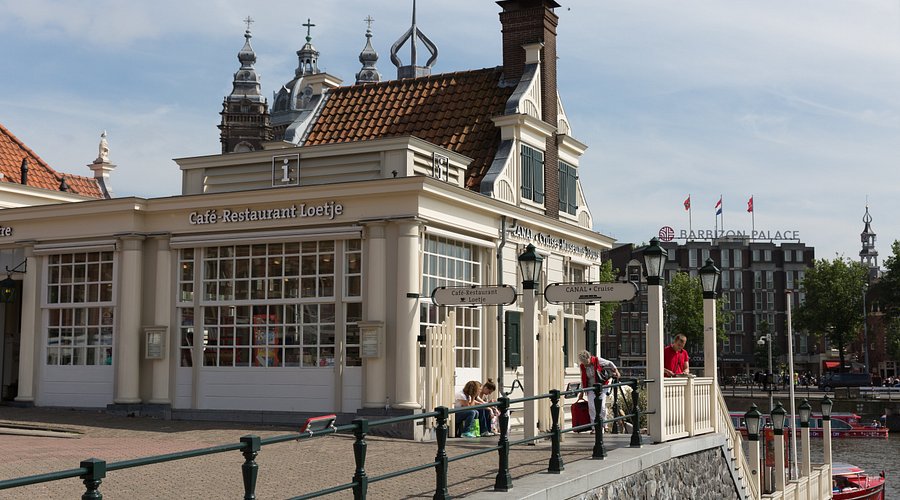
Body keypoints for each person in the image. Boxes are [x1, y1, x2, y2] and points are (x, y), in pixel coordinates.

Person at [577, 350, 620, 432]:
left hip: (602, 386)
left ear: (589, 358)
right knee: (591, 407)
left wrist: (616, 371)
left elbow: (609, 363)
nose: (586, 364)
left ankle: (604, 424)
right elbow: (583, 379)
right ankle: (594, 427)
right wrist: (582, 392)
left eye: (586, 362)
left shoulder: (597, 360)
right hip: (591, 387)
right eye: (584, 363)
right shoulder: (583, 366)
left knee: (602, 406)